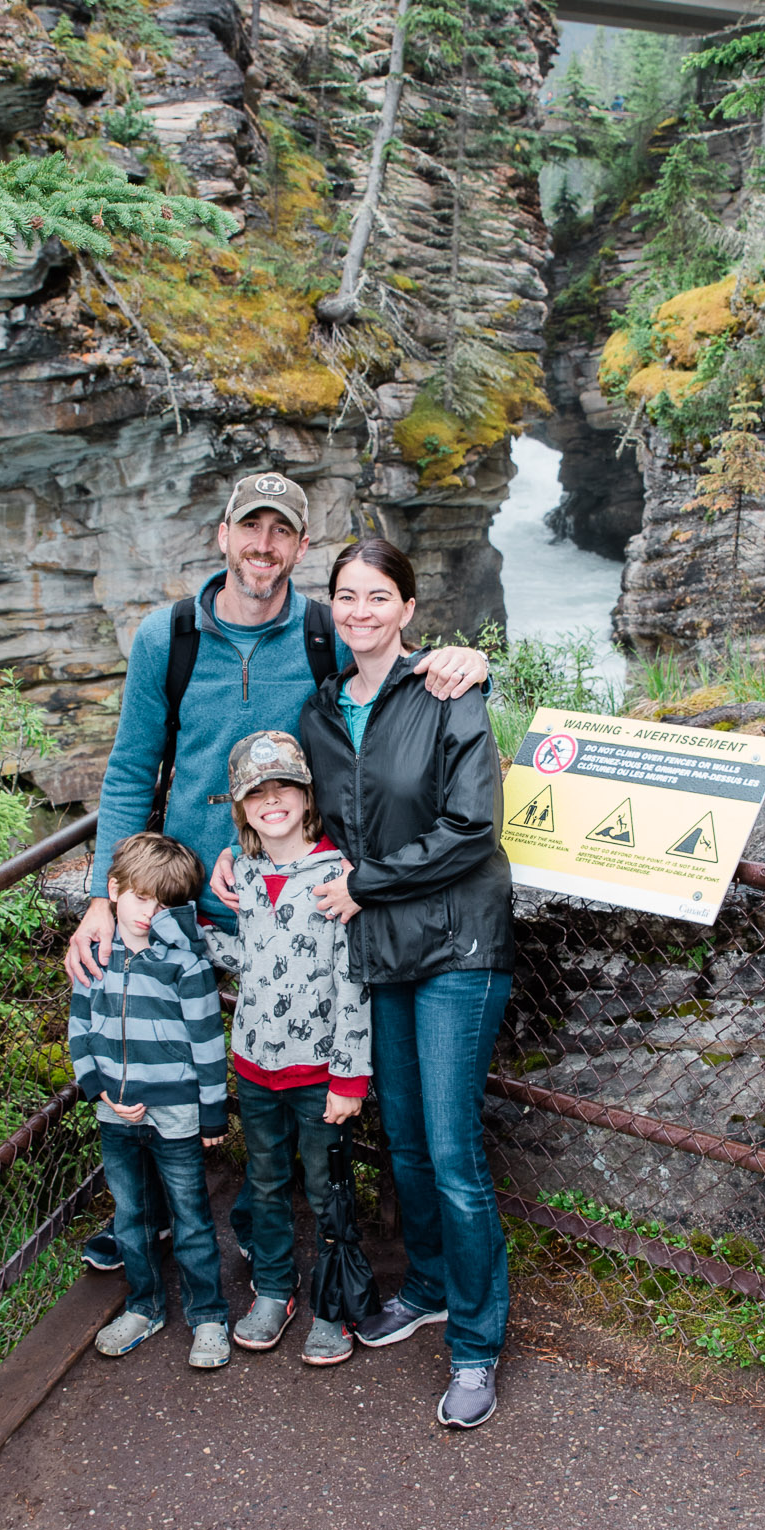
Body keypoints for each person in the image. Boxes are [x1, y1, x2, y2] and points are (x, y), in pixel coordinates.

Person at [64, 470, 490, 1273]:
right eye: (249, 529)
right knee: (156, 1047)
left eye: (281, 532)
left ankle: (306, 1225)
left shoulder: (327, 629)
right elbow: (128, 771)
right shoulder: (171, 635)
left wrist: (467, 659)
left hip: (299, 889)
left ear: (299, 545)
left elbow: (394, 660)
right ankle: (155, 1213)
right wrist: (102, 896)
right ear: (222, 535)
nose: (263, 546)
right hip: (187, 890)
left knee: (296, 1054)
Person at [299, 537, 515, 1432]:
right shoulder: (318, 711)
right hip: (383, 948)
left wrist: (362, 885)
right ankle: (426, 1286)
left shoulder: (446, 691)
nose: (360, 611)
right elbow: (312, 819)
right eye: (346, 596)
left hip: (458, 944)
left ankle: (474, 1345)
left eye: (377, 596)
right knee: (411, 1145)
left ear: (407, 609)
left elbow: (473, 827)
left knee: (456, 1155)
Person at [210, 729, 370, 1368]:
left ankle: (335, 1303)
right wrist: (180, 939)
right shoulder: (244, 876)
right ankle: (275, 1289)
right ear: (243, 807)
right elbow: (249, 960)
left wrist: (349, 1077)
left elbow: (353, 982)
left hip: (319, 1071)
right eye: (257, 793)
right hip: (253, 1065)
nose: (272, 801)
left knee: (328, 1186)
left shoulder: (338, 878)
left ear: (307, 796)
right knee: (268, 1181)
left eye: (285, 789)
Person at [66, 833, 232, 1369]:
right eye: (138, 897)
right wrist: (101, 1090)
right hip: (113, 1110)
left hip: (178, 1111)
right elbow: (79, 1033)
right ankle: (144, 1306)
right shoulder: (96, 955)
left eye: (162, 903)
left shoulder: (186, 964)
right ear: (113, 890)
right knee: (131, 1215)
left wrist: (212, 1112)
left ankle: (207, 1315)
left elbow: (208, 1044)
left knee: (191, 1217)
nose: (147, 912)